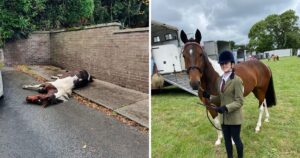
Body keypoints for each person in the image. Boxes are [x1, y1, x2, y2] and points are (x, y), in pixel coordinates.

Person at [205, 50, 244, 158]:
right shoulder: (219, 80)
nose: (224, 65)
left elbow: (240, 101)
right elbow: (220, 98)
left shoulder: (237, 80)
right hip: (224, 118)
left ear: (232, 64)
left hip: (235, 117)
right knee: (227, 140)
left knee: (236, 140)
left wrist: (226, 108)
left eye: (226, 63)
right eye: (222, 63)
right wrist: (209, 97)